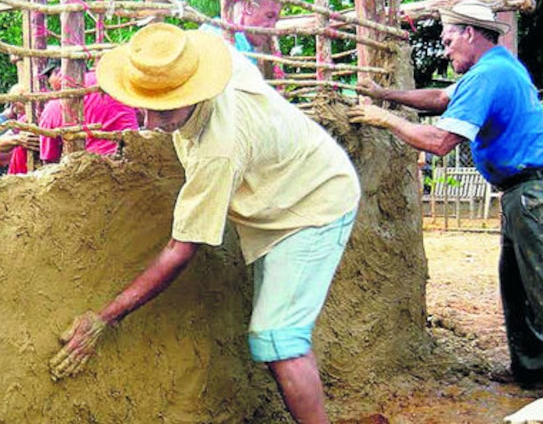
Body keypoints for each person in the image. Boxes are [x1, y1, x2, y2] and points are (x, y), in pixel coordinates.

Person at [50, 23, 360, 424]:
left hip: (313, 204)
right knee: (275, 334)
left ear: (195, 92)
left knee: (278, 340)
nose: (150, 123)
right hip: (282, 191)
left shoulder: (218, 149)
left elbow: (181, 251)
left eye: (165, 110)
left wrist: (105, 317)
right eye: (145, 106)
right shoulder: (205, 58)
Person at [348, 0, 543, 390]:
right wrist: (385, 93)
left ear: (470, 34)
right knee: (517, 287)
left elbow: (441, 141)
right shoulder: (498, 68)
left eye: (448, 41)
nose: (445, 50)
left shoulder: (488, 76)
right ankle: (531, 370)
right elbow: (441, 99)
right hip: (528, 192)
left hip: (535, 193)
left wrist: (384, 118)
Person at [39, 68, 140, 163]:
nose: (48, 82)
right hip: (132, 159)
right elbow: (139, 115)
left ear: (61, 72)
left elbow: (49, 158)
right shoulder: (112, 83)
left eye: (49, 76)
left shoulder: (54, 106)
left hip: (91, 170)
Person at [0, 83, 40, 175]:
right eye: (12, 100)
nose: (14, 104)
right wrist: (18, 139)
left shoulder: (36, 116)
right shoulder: (21, 120)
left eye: (18, 100)